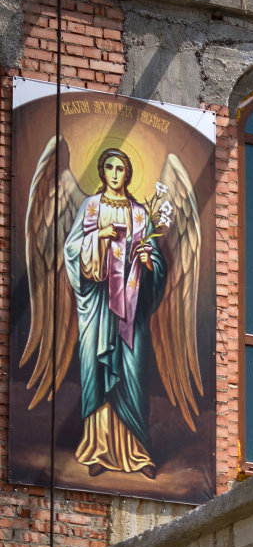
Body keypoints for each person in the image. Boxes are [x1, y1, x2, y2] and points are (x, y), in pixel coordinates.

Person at [63, 148, 167, 478]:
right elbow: (71, 250)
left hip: (131, 310)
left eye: (120, 168)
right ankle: (97, 449)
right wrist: (99, 237)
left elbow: (157, 264)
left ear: (128, 173)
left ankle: (137, 453)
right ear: (102, 171)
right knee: (96, 369)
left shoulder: (140, 214)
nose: (114, 173)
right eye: (109, 167)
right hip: (98, 305)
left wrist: (151, 261)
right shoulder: (91, 207)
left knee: (132, 374)